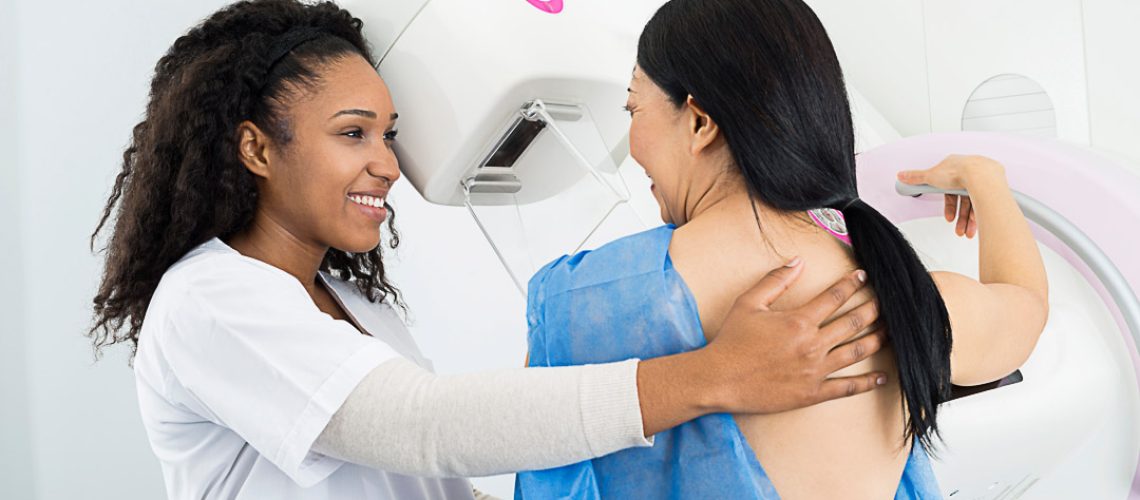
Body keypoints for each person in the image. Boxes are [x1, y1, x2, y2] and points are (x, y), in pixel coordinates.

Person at [86, 1, 891, 499]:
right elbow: (419, 426)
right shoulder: (209, 302)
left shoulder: (353, 304)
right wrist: (715, 376)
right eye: (354, 134)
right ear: (257, 148)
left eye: (390, 135)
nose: (388, 164)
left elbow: (419, 475)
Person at [515, 0, 1050, 498]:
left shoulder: (585, 302)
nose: (631, 141)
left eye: (633, 107)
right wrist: (985, 179)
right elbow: (1025, 308)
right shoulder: (903, 295)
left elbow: (526, 436)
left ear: (699, 122)